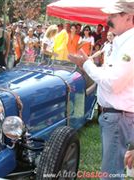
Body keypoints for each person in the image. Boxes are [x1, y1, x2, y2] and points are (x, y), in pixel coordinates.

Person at [68, 0, 134, 179]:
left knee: (110, 175)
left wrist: (87, 65)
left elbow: (113, 82)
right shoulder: (122, 42)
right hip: (116, 116)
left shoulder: (130, 44)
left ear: (129, 17)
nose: (108, 19)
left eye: (113, 15)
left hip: (119, 117)